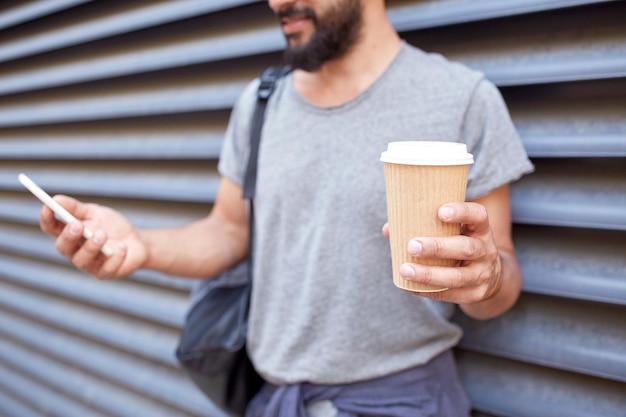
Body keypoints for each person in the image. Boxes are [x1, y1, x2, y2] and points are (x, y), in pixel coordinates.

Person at [40, 0, 534, 416]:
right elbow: (229, 231)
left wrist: (486, 277)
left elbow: (501, 275)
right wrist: (139, 244)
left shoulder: (463, 98)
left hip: (405, 400)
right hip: (273, 400)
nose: (277, 2)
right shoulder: (261, 103)